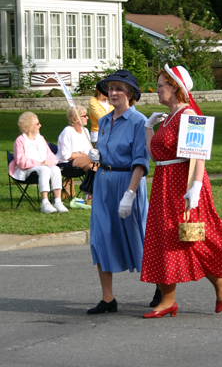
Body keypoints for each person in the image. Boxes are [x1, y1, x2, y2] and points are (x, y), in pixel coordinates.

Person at [141, 64, 222, 318]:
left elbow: (198, 158)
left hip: (183, 186)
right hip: (164, 183)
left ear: (175, 88)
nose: (156, 91)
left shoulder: (190, 116)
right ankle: (167, 300)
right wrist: (148, 128)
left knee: (190, 237)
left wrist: (195, 189)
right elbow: (156, 156)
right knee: (164, 239)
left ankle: (221, 281)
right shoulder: (169, 118)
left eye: (161, 86)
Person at [86, 70, 150, 314]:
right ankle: (108, 298)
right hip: (103, 182)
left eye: (118, 88)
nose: (113, 93)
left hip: (128, 183)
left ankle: (161, 286)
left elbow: (140, 161)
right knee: (100, 237)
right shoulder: (103, 120)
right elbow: (104, 150)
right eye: (110, 88)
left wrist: (130, 194)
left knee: (138, 236)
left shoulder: (139, 122)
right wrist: (97, 155)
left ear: (131, 93)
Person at [9, 112, 68, 214]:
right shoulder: (20, 141)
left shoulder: (40, 138)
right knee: (44, 169)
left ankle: (58, 201)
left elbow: (50, 155)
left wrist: (50, 163)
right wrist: (40, 163)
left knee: (55, 169)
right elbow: (21, 162)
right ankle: (45, 203)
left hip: (42, 167)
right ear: (28, 127)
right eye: (37, 124)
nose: (40, 125)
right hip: (26, 170)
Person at [56, 105, 94, 172]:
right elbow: (66, 156)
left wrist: (77, 155)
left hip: (81, 161)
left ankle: (92, 182)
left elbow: (88, 151)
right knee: (94, 157)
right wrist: (82, 154)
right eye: (84, 116)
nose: (87, 118)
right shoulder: (67, 131)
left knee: (93, 168)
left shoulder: (85, 130)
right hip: (65, 163)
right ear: (76, 118)